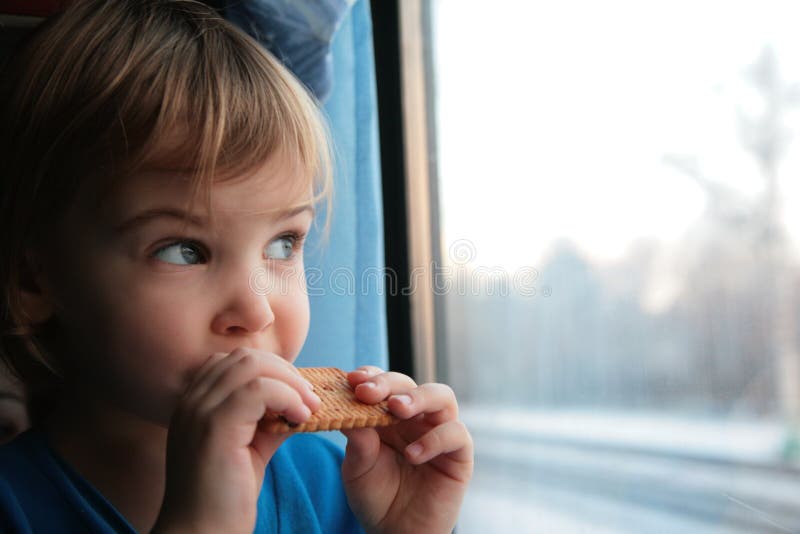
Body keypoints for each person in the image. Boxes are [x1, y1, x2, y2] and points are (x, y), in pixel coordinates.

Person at [0, 1, 474, 532]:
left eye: (282, 244)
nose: (256, 310)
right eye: (184, 250)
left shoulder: (337, 483)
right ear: (33, 280)